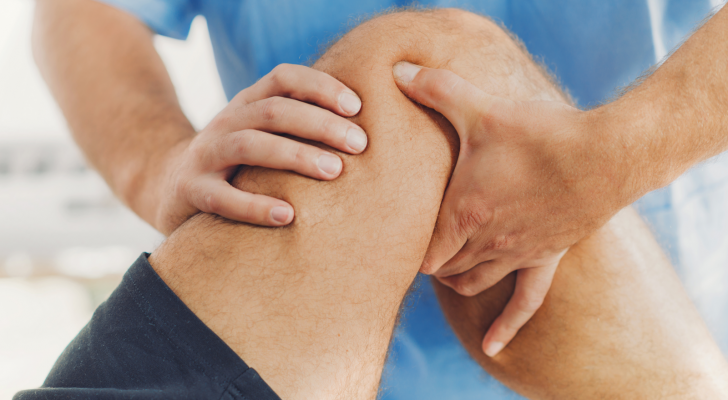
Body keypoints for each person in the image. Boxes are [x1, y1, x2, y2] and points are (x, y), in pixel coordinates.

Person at [16, 10, 728, 399]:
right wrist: (156, 164)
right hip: (304, 344)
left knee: (432, 61)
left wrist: (617, 155)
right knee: (431, 62)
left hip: (658, 300)